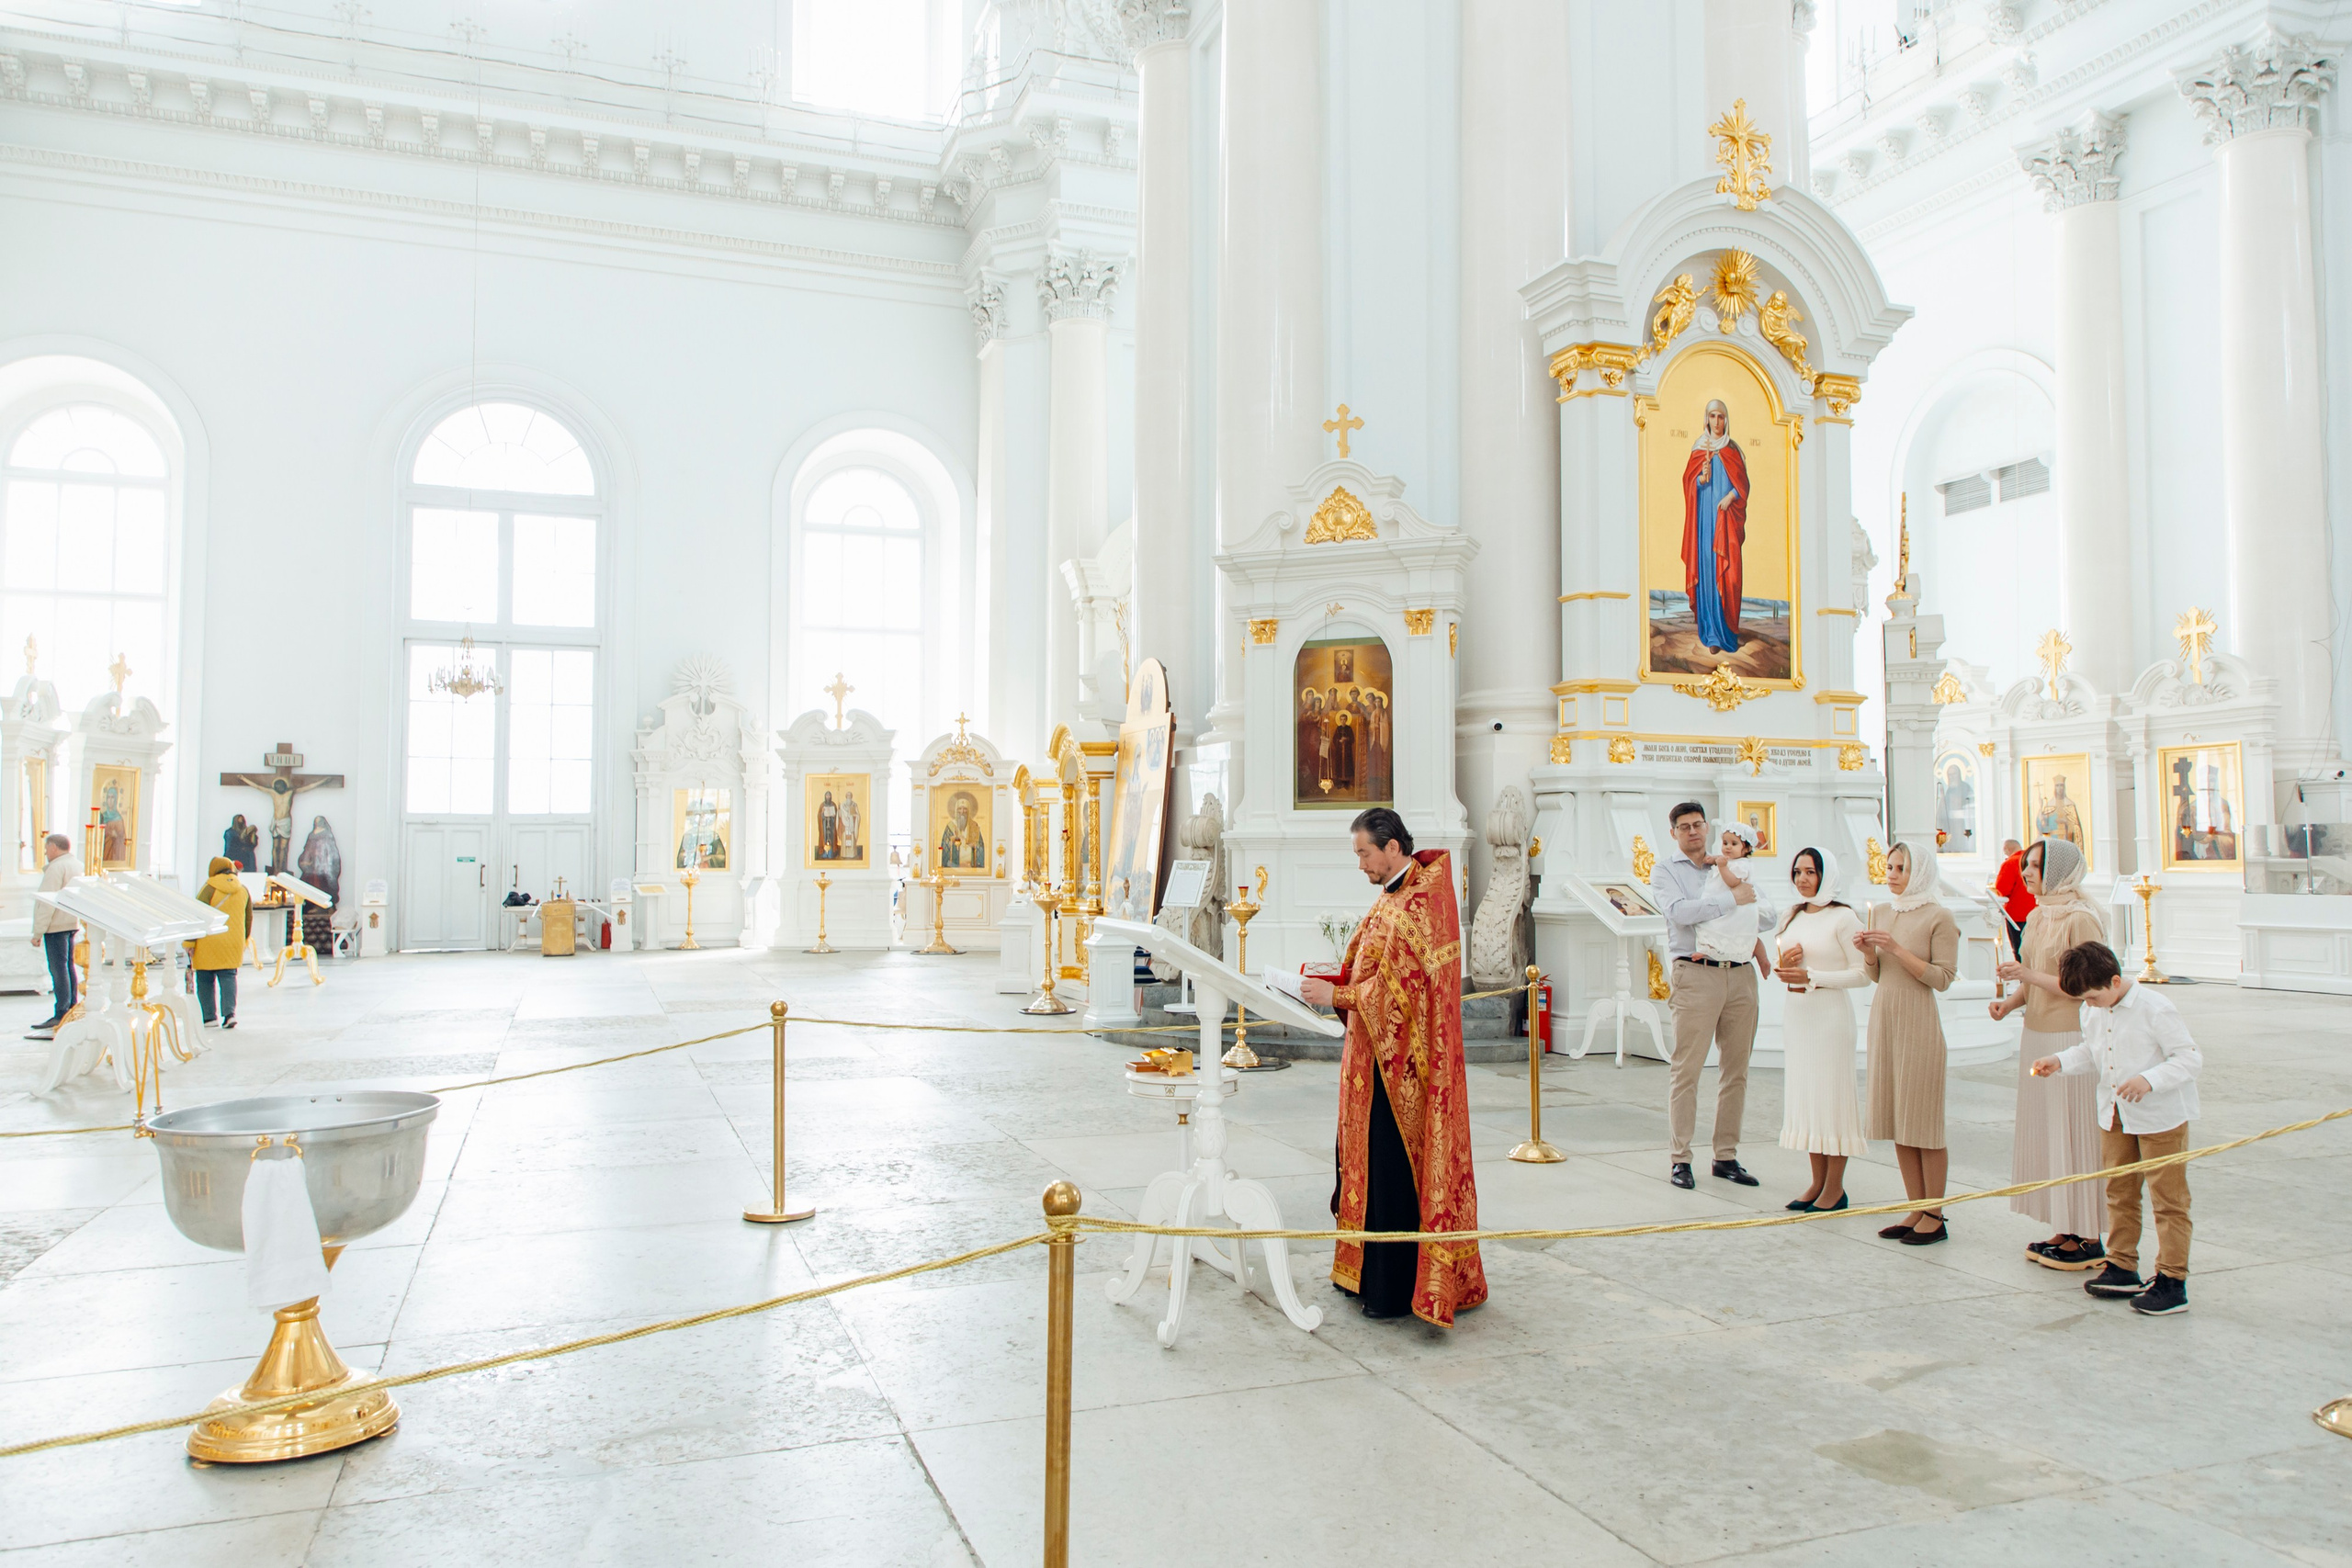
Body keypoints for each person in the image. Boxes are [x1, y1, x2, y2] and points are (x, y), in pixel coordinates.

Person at [1298, 807, 1487, 1325]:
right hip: (1373, 1053)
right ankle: (1363, 1273)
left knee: (1391, 1166)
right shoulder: (1397, 894)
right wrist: (1333, 982)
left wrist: (1335, 993)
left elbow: (1400, 993)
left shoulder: (1422, 899)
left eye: (1364, 853)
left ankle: (1393, 1287)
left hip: (1405, 1064)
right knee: (1367, 1161)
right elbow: (1375, 967)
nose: (1360, 864)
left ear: (1393, 848)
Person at [2030, 941, 2203, 1315]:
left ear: (2114, 980)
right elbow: (2092, 1052)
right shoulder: (2093, 1009)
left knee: (2168, 1199)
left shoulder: (2155, 1008)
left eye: (2093, 997)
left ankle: (2173, 1281)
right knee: (2119, 1191)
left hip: (2161, 1117)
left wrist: (2148, 1079)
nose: (2089, 1005)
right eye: (2084, 1001)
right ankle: (2122, 1265)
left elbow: (2189, 1058)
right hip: (2113, 1114)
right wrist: (2058, 1060)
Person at [1991, 838, 2109, 1270]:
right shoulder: (2039, 914)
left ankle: (2090, 1235)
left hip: (2069, 1036)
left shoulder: (2081, 919)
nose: (2026, 873)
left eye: (2036, 866)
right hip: (2037, 1033)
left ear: (2059, 870)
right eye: (2025, 865)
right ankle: (2065, 1224)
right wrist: (2011, 1002)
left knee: (2073, 1131)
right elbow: (2034, 977)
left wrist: (2027, 976)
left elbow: (2087, 985)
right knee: (2049, 1130)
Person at [1649, 801, 1771, 1189]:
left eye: (1698, 824)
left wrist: (1736, 902)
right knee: (1687, 1070)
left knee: (1736, 1070)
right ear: (1674, 833)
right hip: (1695, 974)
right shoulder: (1666, 870)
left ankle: (1726, 1156)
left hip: (1740, 972)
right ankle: (1680, 1159)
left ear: (1708, 828)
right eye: (1684, 826)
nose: (1693, 832)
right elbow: (1679, 912)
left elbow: (1768, 913)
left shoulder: (1735, 862)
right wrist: (1731, 901)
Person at [1858, 841, 1960, 1245]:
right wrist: (1868, 954)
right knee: (1899, 1119)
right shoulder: (1882, 912)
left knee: (1924, 1123)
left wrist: (1896, 948)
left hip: (1918, 1021)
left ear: (1919, 871)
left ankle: (1935, 1213)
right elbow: (1877, 976)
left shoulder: (1940, 917)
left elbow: (1943, 978)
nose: (1892, 873)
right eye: (1890, 866)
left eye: (1901, 867)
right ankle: (1916, 1206)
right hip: (1885, 1018)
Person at [1771, 848, 1869, 1212]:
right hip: (1798, 1015)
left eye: (1810, 872)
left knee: (1831, 1100)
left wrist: (1813, 976)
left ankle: (1836, 1188)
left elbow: (1863, 974)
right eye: (1797, 872)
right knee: (1808, 1098)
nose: (1802, 879)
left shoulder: (1844, 918)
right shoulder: (1791, 915)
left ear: (1826, 874)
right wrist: (1787, 964)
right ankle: (1816, 1182)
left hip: (1829, 1017)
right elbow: (1786, 965)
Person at [1692, 822, 1769, 970]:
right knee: (1712, 928)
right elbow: (1724, 860)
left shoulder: (1742, 865)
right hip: (1726, 904)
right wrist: (1714, 859)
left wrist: (1721, 866)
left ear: (1746, 848)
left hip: (1737, 909)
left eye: (1734, 844)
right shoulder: (1731, 861)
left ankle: (1762, 959)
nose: (1727, 847)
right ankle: (1708, 951)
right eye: (1725, 843)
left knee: (1727, 930)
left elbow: (1733, 882)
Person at [189, 856, 251, 1030]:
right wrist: (243, 939)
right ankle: (230, 1015)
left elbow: (197, 914)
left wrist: (189, 942)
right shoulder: (243, 889)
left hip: (208, 941)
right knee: (229, 977)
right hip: (232, 942)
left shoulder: (209, 888)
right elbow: (248, 919)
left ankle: (209, 1018)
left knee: (205, 979)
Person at [30, 832, 80, 1032]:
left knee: (58, 969)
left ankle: (61, 1013)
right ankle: (72, 1007)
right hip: (70, 923)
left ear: (53, 847)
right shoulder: (76, 865)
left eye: (46, 848)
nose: (45, 852)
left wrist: (37, 932)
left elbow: (46, 902)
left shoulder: (56, 867)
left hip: (56, 925)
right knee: (68, 967)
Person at [1992, 838, 2032, 956]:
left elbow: (2002, 889)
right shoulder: (2033, 860)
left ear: (2007, 849)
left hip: (2017, 913)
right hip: (2037, 911)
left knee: (2019, 950)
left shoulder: (2011, 862)